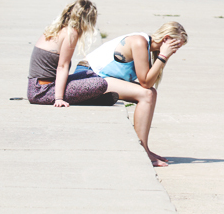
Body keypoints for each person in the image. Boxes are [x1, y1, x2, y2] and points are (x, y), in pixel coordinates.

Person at [78, 22, 188, 167]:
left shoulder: (147, 47)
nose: (175, 51)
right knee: (147, 94)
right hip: (88, 76)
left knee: (150, 94)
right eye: (175, 46)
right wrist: (162, 56)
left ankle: (145, 149)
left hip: (99, 78)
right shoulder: (139, 42)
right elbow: (145, 83)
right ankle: (141, 150)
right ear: (166, 39)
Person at [27, 0, 113, 107]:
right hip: (42, 92)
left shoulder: (58, 28)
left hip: (36, 88)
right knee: (100, 84)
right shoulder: (71, 33)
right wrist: (59, 99)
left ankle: (90, 97)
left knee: (90, 74)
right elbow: (62, 66)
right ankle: (90, 99)